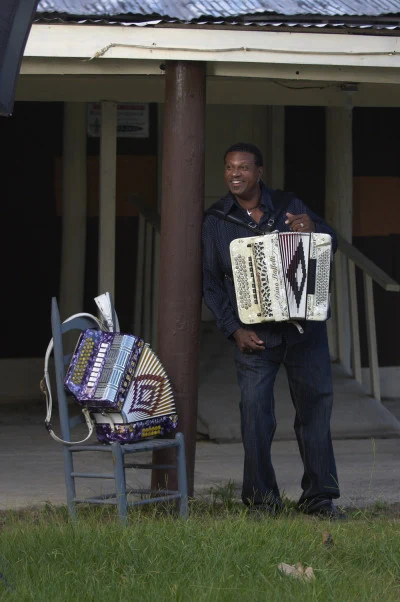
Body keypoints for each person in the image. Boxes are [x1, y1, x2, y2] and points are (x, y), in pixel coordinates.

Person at [202, 142, 345, 519]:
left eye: (243, 167)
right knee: (255, 418)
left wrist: (314, 228)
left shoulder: (288, 205)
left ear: (259, 172)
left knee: (315, 413)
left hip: (304, 331)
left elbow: (331, 243)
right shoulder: (217, 220)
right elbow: (211, 283)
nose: (235, 174)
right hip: (255, 336)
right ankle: (262, 502)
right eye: (229, 167)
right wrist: (234, 330)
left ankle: (320, 498)